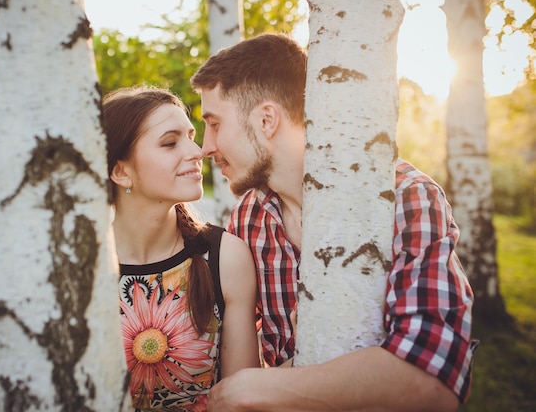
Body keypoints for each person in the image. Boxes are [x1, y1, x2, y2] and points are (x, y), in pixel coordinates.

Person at [190, 33, 477, 411]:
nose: (206, 147)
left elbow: (432, 382)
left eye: (214, 124)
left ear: (266, 120)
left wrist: (259, 388)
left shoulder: (401, 198)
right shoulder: (250, 216)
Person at [102, 87, 260, 411]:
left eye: (191, 136)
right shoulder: (81, 274)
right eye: (170, 143)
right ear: (121, 171)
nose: (198, 151)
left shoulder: (225, 258)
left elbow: (243, 401)